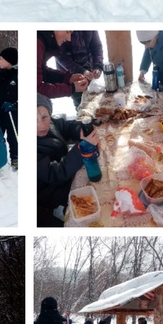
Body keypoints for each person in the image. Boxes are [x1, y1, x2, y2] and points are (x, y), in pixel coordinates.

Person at [37, 94, 100, 227]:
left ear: (49, 114)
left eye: (44, 117)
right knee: (95, 197)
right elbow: (56, 173)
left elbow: (67, 126)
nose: (41, 125)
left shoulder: (51, 124)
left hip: (68, 172)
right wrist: (81, 148)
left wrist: (84, 129)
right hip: (51, 191)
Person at [54, 31, 104, 110]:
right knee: (79, 100)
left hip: (88, 67)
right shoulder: (61, 31)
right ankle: (81, 116)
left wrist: (98, 66)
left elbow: (96, 46)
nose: (69, 38)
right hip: (69, 72)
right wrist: (81, 71)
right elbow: (60, 56)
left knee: (94, 98)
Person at [37, 31, 88, 101]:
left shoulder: (43, 40)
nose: (69, 39)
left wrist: (69, 78)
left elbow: (43, 72)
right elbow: (37, 89)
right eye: (67, 31)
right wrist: (72, 88)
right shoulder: (37, 44)